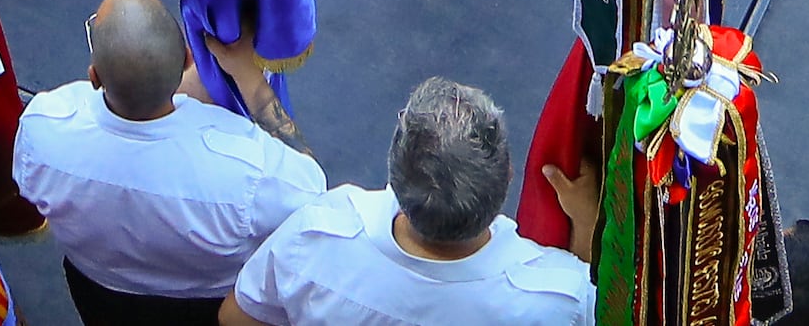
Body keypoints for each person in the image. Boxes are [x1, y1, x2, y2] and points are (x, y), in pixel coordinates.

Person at [1, 0, 324, 326]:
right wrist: (251, 81)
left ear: (94, 77)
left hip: (97, 292)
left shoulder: (44, 130)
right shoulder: (247, 172)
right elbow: (311, 194)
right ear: (187, 57)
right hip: (209, 307)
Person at [223, 78, 592, 326]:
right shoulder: (557, 299)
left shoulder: (315, 236)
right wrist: (588, 230)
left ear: (394, 170)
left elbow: (236, 316)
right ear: (508, 175)